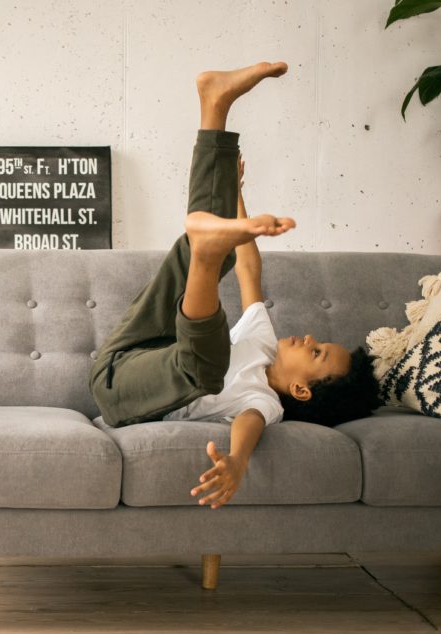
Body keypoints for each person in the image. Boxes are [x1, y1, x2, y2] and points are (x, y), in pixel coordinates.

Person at [87, 61, 382, 510]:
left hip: (122, 395)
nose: (309, 338)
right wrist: (238, 202)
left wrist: (238, 461)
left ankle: (206, 251)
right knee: (220, 249)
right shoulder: (263, 339)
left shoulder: (264, 401)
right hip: (133, 350)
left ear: (302, 390)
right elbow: (249, 270)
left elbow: (247, 426)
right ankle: (215, 106)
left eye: (316, 353)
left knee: (205, 367)